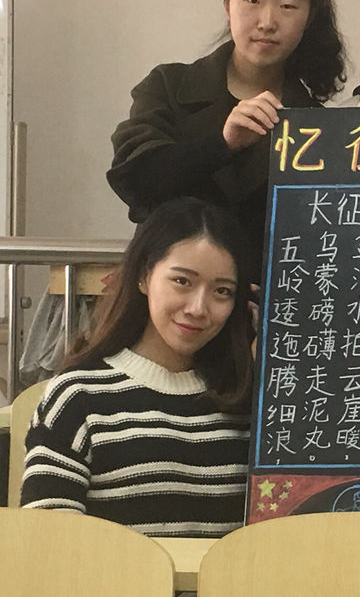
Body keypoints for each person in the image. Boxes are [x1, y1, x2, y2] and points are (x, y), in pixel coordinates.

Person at [108, 0, 347, 276]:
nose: (267, 21)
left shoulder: (313, 122)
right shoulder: (169, 86)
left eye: (287, 5)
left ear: (309, 16)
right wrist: (222, 145)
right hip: (169, 298)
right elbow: (138, 182)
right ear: (226, 2)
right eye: (252, 0)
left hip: (263, 302)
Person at [22, 198, 255, 538]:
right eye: (182, 281)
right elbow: (48, 542)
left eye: (222, 291)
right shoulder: (77, 396)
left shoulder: (249, 400)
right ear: (144, 276)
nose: (198, 308)